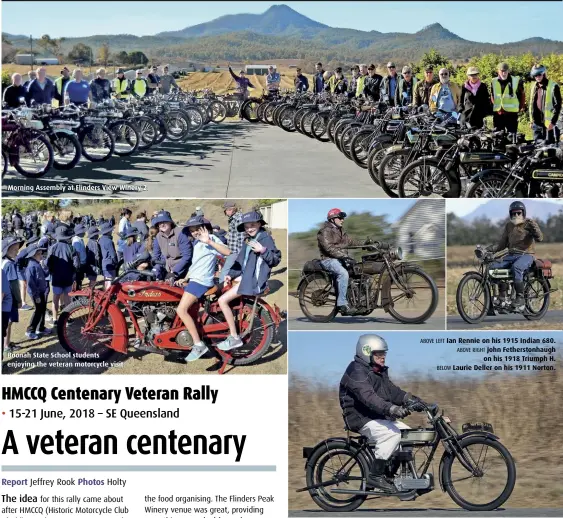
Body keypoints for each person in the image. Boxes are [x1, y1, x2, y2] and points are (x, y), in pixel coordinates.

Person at [340, 335, 426, 492]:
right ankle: (375, 476)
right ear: (366, 352)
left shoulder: (377, 371)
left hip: (376, 416)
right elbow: (369, 398)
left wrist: (417, 401)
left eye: (384, 354)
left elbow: (393, 392)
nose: (383, 357)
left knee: (408, 434)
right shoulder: (356, 371)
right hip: (360, 417)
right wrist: (392, 409)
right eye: (378, 354)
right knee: (392, 435)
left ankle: (399, 478)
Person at [216, 211, 281, 351]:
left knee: (222, 300)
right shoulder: (249, 240)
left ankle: (234, 337)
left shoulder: (265, 239)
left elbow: (275, 260)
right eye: (246, 226)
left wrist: (263, 250)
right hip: (246, 277)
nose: (249, 228)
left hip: (253, 281)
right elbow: (241, 261)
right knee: (220, 288)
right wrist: (230, 274)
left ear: (259, 224)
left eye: (252, 225)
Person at [174, 216, 230, 362]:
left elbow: (227, 252)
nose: (195, 233)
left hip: (202, 281)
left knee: (181, 310)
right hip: (194, 279)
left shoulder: (210, 238)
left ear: (205, 228)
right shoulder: (197, 243)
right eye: (192, 231)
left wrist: (210, 241)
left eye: (197, 229)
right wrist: (185, 278)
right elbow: (196, 265)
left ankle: (198, 345)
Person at [490, 201, 543, 312]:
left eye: (519, 213)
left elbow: (540, 238)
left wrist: (534, 227)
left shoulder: (529, 223)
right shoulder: (509, 226)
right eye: (514, 213)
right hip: (511, 254)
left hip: (526, 255)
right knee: (493, 267)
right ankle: (502, 297)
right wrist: (488, 250)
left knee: (516, 267)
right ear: (510, 214)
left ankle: (520, 298)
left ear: (523, 213)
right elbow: (502, 244)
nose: (516, 215)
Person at [317, 209, 372, 315]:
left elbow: (351, 242)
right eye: (340, 218)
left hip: (341, 258)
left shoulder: (341, 231)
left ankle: (360, 301)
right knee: (343, 274)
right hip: (328, 260)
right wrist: (344, 256)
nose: (342, 220)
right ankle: (342, 304)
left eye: (343, 218)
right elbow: (329, 248)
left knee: (360, 271)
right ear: (332, 219)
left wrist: (365, 244)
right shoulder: (325, 231)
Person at [47, 226, 78, 323]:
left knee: (55, 298)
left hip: (56, 277)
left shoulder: (52, 248)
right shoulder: (71, 248)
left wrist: (52, 271)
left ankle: (55, 319)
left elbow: (48, 263)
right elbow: (76, 264)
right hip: (68, 277)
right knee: (67, 298)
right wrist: (73, 273)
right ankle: (67, 318)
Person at [152, 210, 193, 282]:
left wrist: (174, 271)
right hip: (167, 270)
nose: (162, 225)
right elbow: (156, 257)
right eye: (160, 223)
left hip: (183, 271)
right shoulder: (158, 237)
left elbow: (187, 256)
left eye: (164, 222)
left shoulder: (181, 233)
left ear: (170, 222)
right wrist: (155, 270)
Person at [2, 237, 24, 353]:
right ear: (7, 250)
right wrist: (19, 300)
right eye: (14, 249)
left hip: (4, 297)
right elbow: (14, 284)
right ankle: (6, 345)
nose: (17, 251)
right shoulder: (10, 265)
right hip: (9, 299)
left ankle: (6, 343)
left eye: (17, 248)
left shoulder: (3, 262)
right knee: (8, 322)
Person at [528, 64, 561, 144]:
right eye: (535, 75)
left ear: (543, 73)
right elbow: (532, 105)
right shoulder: (534, 86)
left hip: (549, 125)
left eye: (539, 75)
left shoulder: (553, 86)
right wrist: (531, 121)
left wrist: (553, 122)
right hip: (536, 124)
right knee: (537, 149)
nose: (537, 77)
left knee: (551, 149)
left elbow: (558, 106)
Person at [24, 245, 50, 340]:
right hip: (36, 293)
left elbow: (45, 274)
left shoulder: (38, 263)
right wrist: (36, 295)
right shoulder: (31, 266)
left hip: (41, 291)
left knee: (42, 309)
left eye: (41, 253)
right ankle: (30, 330)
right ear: (32, 255)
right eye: (38, 254)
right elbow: (30, 283)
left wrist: (45, 267)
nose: (41, 256)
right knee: (38, 311)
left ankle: (41, 328)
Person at [490, 62, 524, 135]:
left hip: (511, 114)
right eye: (501, 71)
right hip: (498, 114)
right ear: (498, 71)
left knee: (511, 137)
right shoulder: (493, 81)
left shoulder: (516, 80)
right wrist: (496, 107)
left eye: (505, 71)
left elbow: (522, 96)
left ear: (508, 71)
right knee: (498, 137)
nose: (503, 73)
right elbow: (492, 96)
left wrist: (519, 108)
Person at [220, 201, 245, 283]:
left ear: (231, 209)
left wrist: (240, 253)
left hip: (236, 250)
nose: (225, 213)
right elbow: (233, 234)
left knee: (225, 270)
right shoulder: (232, 218)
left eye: (226, 210)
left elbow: (241, 236)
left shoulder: (238, 218)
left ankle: (221, 289)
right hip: (232, 249)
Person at [98, 221, 118, 289]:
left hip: (103, 264)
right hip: (110, 264)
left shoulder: (100, 240)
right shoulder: (109, 241)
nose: (112, 231)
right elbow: (113, 255)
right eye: (111, 230)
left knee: (106, 281)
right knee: (110, 283)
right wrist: (116, 263)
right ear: (108, 231)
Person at [71, 224, 87, 289]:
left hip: (82, 263)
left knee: (80, 279)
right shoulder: (76, 241)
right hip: (79, 264)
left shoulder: (80, 239)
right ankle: (76, 295)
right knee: (78, 279)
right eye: (83, 231)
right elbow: (77, 254)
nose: (85, 232)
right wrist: (78, 265)